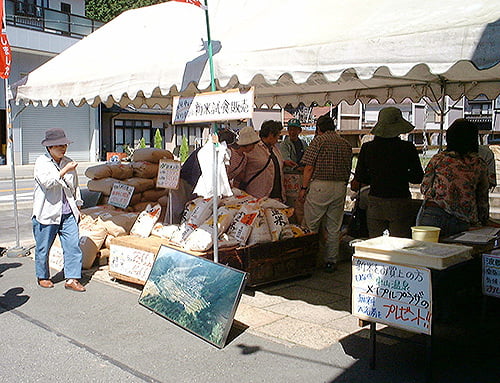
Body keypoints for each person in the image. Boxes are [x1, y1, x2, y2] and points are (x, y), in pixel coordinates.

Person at [352, 107, 424, 238]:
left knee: (375, 243)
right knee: (399, 244)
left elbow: (361, 178)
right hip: (400, 201)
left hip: (375, 200)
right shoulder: (407, 148)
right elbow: (417, 178)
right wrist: (400, 174)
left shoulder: (367, 148)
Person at [32, 128, 85, 292]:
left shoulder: (68, 161)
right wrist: (64, 171)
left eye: (64, 145)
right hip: (47, 213)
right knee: (43, 247)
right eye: (58, 146)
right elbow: (47, 183)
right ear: (49, 147)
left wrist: (78, 204)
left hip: (68, 212)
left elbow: (75, 186)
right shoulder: (41, 162)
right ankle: (43, 276)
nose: (63, 148)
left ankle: (72, 278)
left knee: (73, 245)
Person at [417, 119, 489, 238]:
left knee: (426, 253)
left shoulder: (438, 159)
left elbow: (424, 187)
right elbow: (482, 198)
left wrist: (439, 195)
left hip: (432, 214)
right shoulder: (479, 164)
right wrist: (483, 220)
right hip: (463, 220)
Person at [298, 115, 352, 272]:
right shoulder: (345, 144)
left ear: (318, 128)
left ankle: (309, 260)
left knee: (311, 224)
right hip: (340, 186)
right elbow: (349, 168)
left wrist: (303, 188)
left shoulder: (319, 141)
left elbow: (308, 167)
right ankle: (331, 261)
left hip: (320, 186)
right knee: (334, 227)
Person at [169, 128, 237, 223]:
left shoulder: (216, 153)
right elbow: (195, 175)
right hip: (186, 183)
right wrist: (198, 196)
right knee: (181, 210)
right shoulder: (206, 153)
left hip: (192, 183)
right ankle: (177, 227)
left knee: (196, 210)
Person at [237, 120, 286, 201]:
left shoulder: (275, 149)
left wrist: (284, 163)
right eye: (278, 135)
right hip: (257, 196)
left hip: (277, 196)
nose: (278, 139)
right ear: (270, 135)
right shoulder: (252, 148)